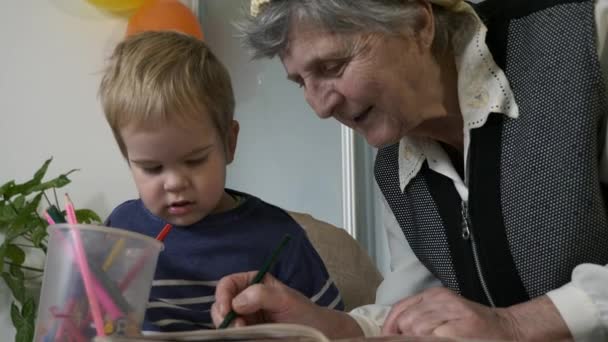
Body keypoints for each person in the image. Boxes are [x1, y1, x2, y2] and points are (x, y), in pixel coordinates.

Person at [211, 0, 608, 340]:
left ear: (418, 23)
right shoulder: (395, 168)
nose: (319, 107)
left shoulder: (586, 43)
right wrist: (326, 329)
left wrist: (518, 326)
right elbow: (413, 312)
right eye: (301, 82)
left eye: (332, 66)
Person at [98, 31, 343, 333]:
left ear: (229, 142)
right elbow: (89, 321)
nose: (174, 183)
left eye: (195, 160)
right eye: (151, 168)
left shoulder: (279, 236)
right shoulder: (119, 231)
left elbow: (331, 331)